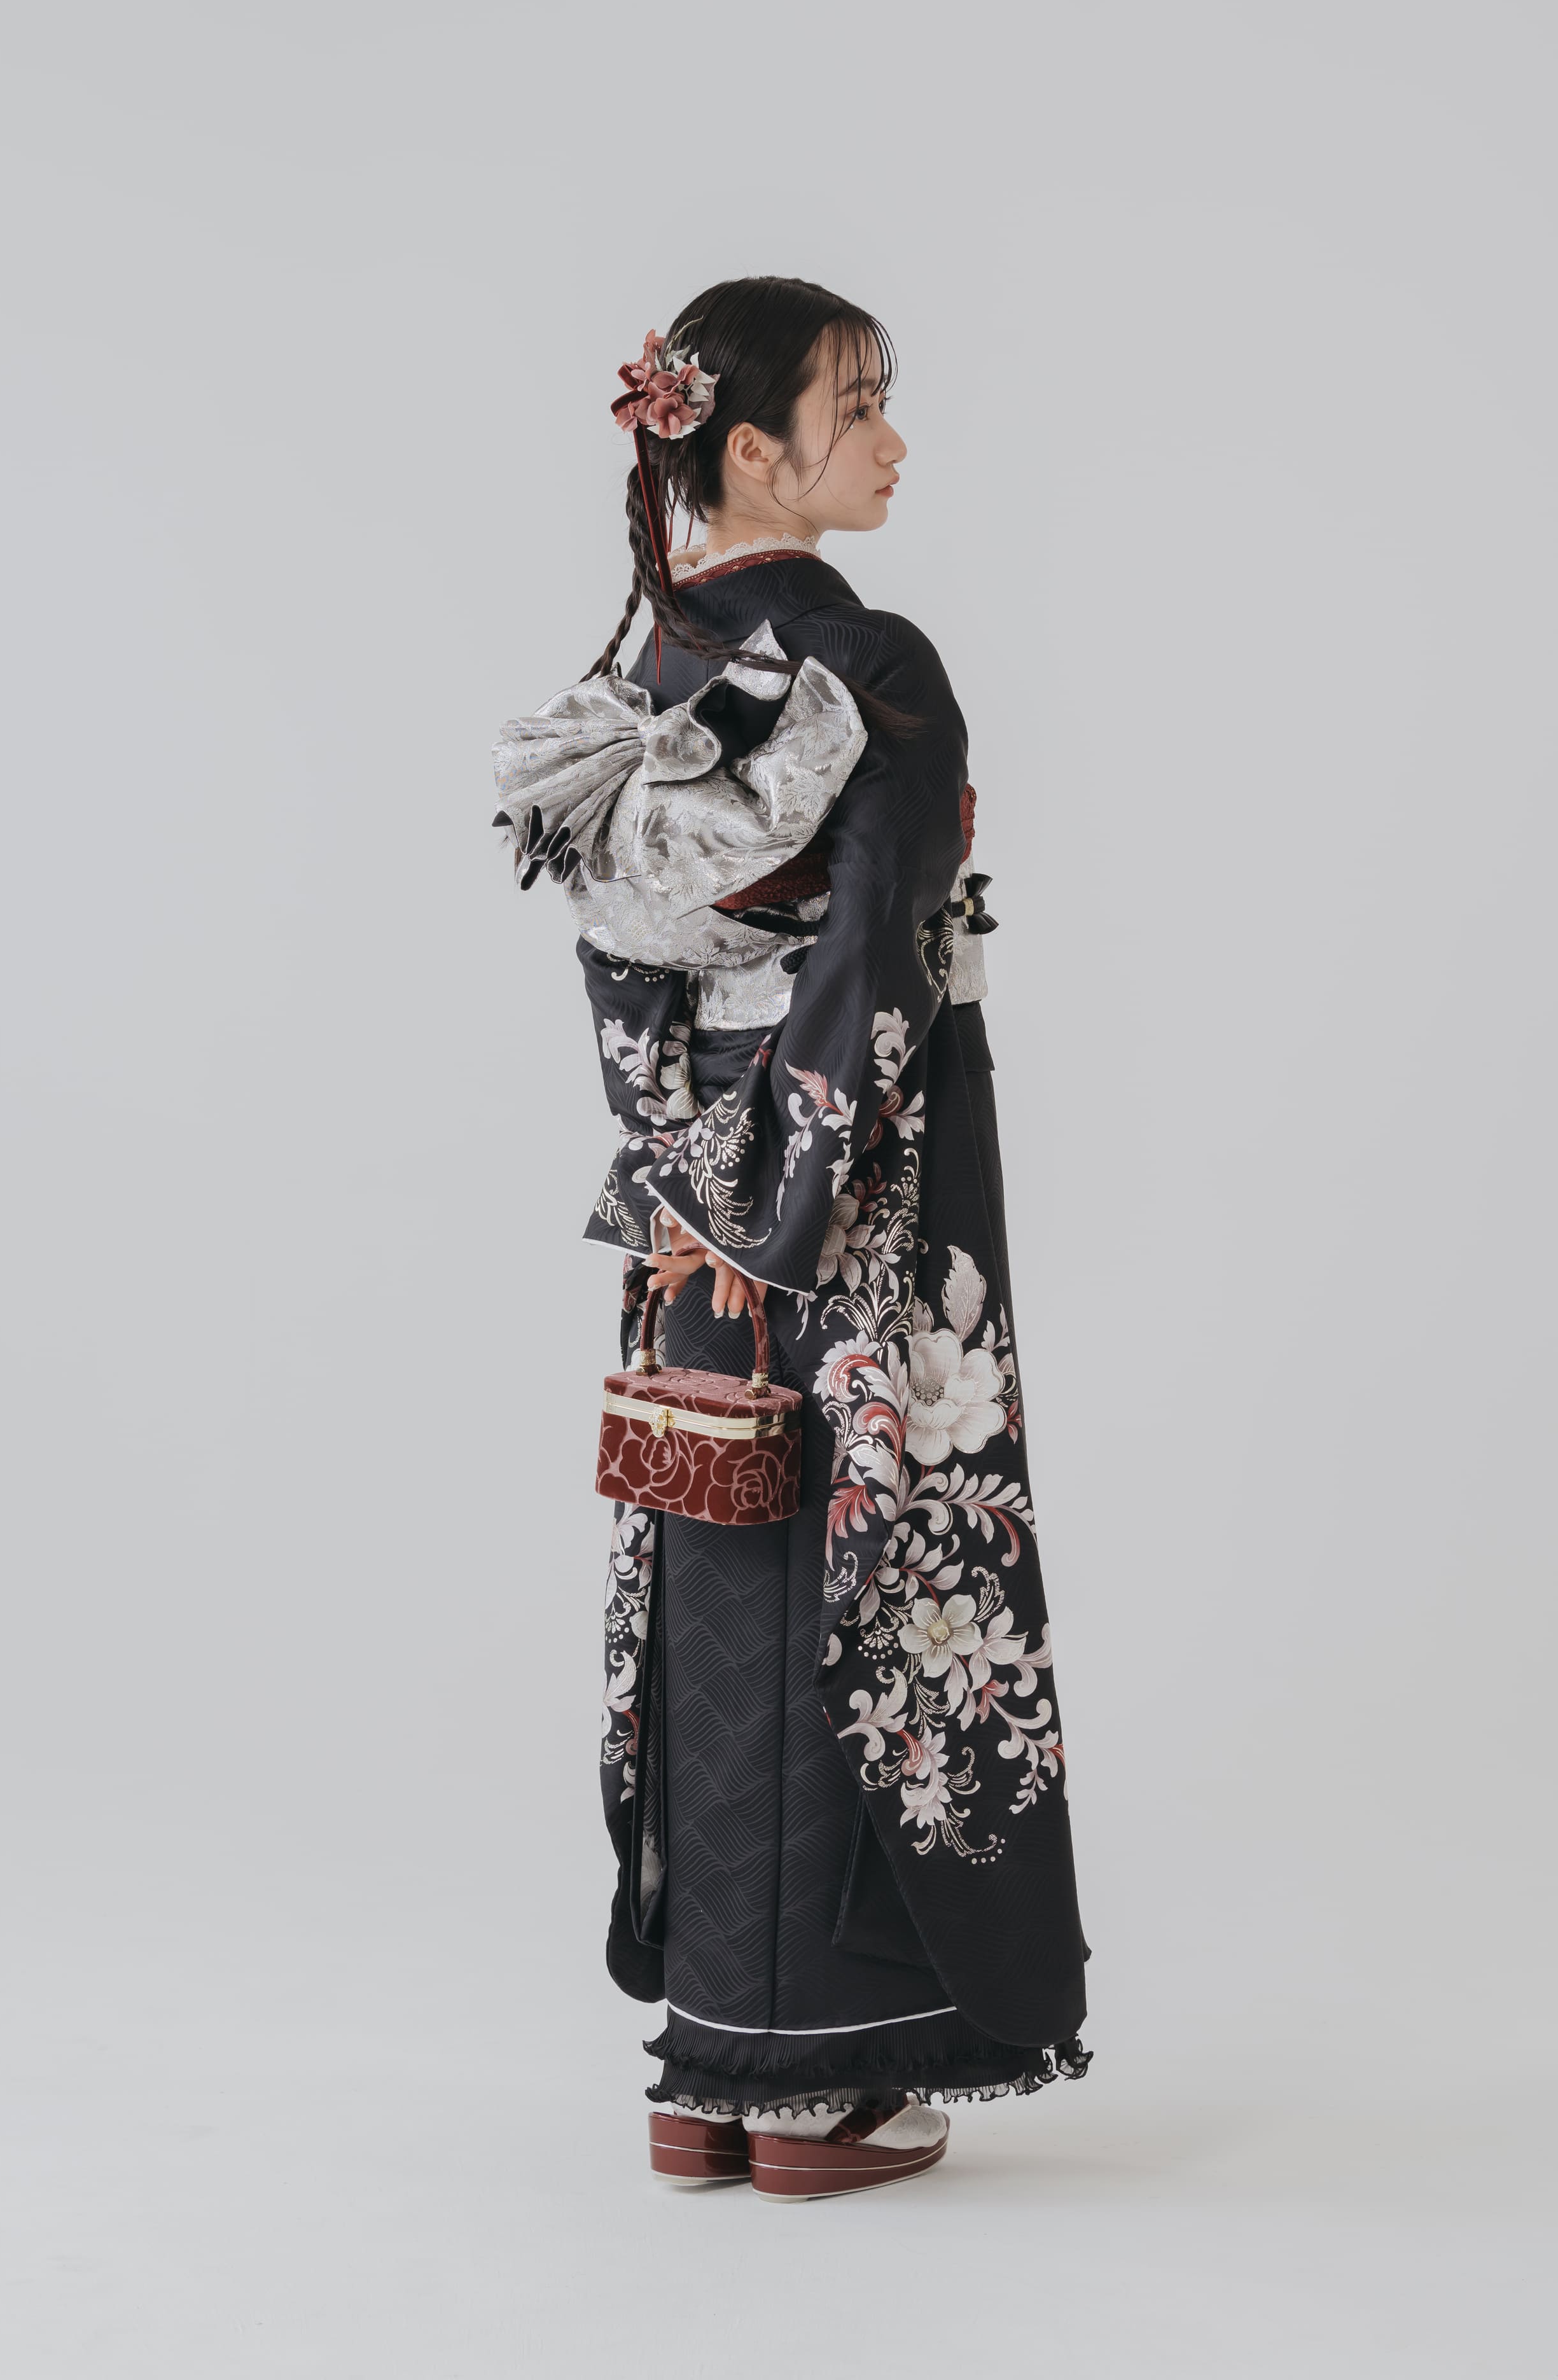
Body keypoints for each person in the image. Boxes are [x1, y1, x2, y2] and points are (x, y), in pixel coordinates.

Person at [494, 276, 1088, 2201]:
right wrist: (800, 1209)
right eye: (859, 408)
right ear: (754, 451)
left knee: (717, 1546)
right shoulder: (869, 661)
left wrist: (693, 1189)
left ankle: (704, 2073)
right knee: (868, 1566)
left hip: (688, 1202)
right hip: (857, 1186)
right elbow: (879, 961)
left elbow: (626, 973)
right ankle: (813, 2082)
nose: (894, 441)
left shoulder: (649, 666)